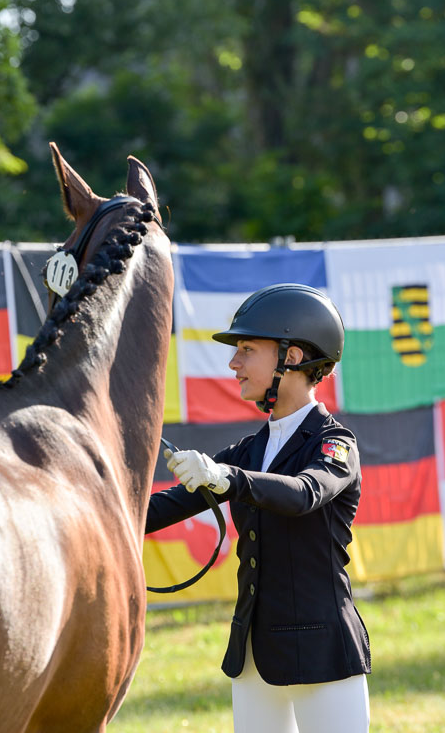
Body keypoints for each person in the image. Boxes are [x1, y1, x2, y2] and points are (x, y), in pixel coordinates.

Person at [146, 283, 371, 733]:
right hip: (252, 657)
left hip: (322, 651)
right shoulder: (248, 451)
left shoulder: (335, 444)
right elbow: (159, 510)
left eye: (247, 349)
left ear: (292, 357)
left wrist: (227, 477)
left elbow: (304, 493)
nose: (234, 363)